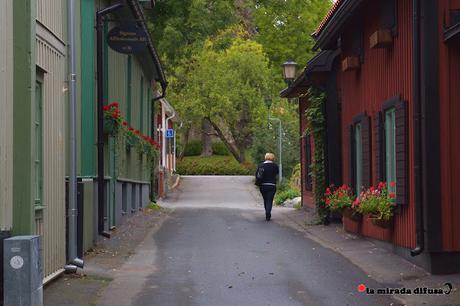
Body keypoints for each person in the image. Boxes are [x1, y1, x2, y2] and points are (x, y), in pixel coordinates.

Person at [256, 152, 279, 221]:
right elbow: (276, 173)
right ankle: (268, 213)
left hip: (263, 186)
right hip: (272, 185)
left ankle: (267, 212)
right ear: (273, 158)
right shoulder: (275, 166)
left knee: (265, 199)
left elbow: (257, 175)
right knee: (270, 200)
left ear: (265, 157)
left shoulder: (261, 165)